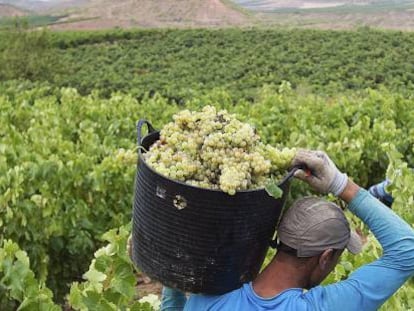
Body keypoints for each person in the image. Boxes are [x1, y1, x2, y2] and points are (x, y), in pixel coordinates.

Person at [160, 150, 414, 311]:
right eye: (336, 257)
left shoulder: (209, 300)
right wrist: (340, 183)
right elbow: (407, 250)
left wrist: (170, 272)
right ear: (325, 257)